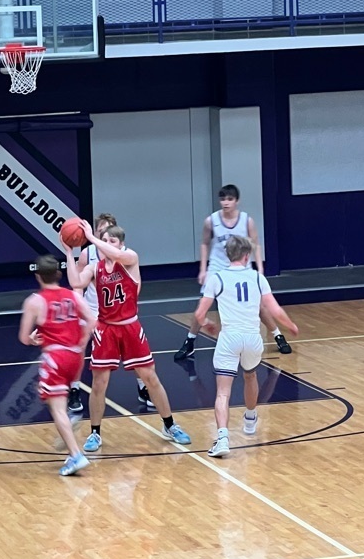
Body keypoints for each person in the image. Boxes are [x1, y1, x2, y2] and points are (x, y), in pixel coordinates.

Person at [64, 222, 191, 452]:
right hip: (106, 329)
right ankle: (95, 433)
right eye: (105, 240)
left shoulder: (130, 258)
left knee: (150, 378)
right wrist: (69, 253)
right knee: (99, 383)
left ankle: (169, 425)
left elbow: (116, 253)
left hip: (130, 326)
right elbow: (75, 282)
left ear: (121, 244)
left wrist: (93, 238)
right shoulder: (95, 268)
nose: (107, 245)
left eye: (112, 241)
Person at [192, 235, 298, 458]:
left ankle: (222, 438)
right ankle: (250, 417)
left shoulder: (217, 278)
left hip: (229, 337)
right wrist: (290, 326)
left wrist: (207, 324)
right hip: (252, 337)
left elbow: (199, 313)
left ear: (227, 255)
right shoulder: (258, 278)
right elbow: (275, 310)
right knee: (250, 376)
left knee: (223, 391)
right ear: (247, 255)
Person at [175, 184, 292, 361]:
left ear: (237, 201)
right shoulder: (211, 221)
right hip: (218, 267)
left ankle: (277, 336)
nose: (226, 203)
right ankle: (189, 342)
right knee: (202, 306)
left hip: (242, 265)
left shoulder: (246, 221)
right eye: (223, 199)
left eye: (229, 199)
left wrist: (260, 267)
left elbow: (256, 244)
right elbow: (205, 243)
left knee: (259, 306)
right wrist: (203, 269)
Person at [68, 211, 153, 413]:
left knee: (135, 355)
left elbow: (136, 285)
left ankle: (143, 387)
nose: (104, 234)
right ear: (96, 233)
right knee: (78, 348)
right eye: (100, 232)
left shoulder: (125, 254)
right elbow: (79, 282)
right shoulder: (88, 254)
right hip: (92, 310)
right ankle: (74, 390)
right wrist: (78, 302)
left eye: (108, 231)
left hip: (118, 312)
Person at [19, 254, 96, 476]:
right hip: (75, 357)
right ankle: (70, 425)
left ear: (38, 277)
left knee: (57, 409)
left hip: (55, 357)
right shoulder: (73, 295)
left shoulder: (35, 301)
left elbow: (24, 338)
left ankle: (76, 455)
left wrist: (34, 339)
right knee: (58, 401)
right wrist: (81, 340)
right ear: (59, 274)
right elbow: (91, 320)